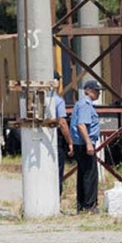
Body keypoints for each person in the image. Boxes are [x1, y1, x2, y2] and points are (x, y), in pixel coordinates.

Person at [69, 80, 101, 213]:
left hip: (79, 143)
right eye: (95, 90)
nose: (98, 93)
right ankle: (89, 206)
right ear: (87, 90)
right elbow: (82, 125)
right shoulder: (85, 105)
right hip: (84, 144)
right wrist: (88, 143)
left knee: (83, 174)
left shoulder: (81, 104)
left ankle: (82, 205)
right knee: (90, 175)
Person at [48, 75, 74, 197]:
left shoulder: (37, 98)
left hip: (39, 138)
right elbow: (62, 123)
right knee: (57, 171)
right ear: (56, 82)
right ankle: (55, 200)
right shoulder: (58, 100)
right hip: (55, 139)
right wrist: (70, 142)